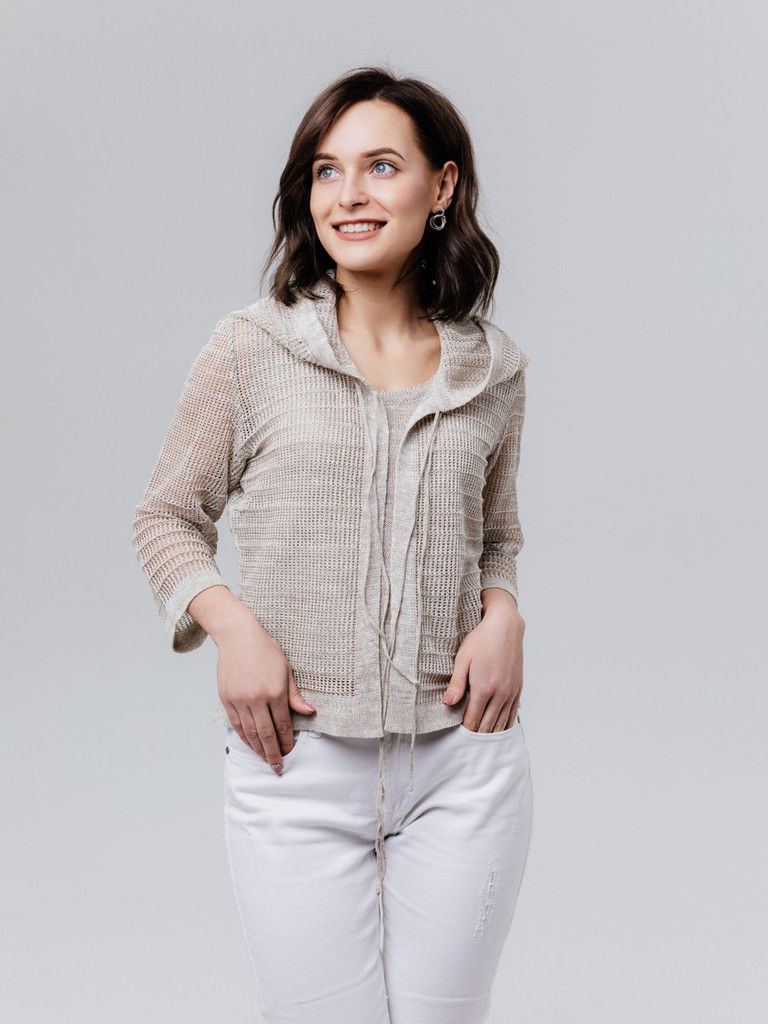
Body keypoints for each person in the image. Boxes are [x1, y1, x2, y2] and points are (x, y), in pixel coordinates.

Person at [132, 66, 533, 1024]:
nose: (348, 194)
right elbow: (165, 517)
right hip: (296, 765)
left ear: (441, 186)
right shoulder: (249, 350)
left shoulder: (494, 368)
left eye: (381, 166)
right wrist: (234, 631)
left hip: (464, 762)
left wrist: (505, 613)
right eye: (326, 171)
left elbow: (497, 537)